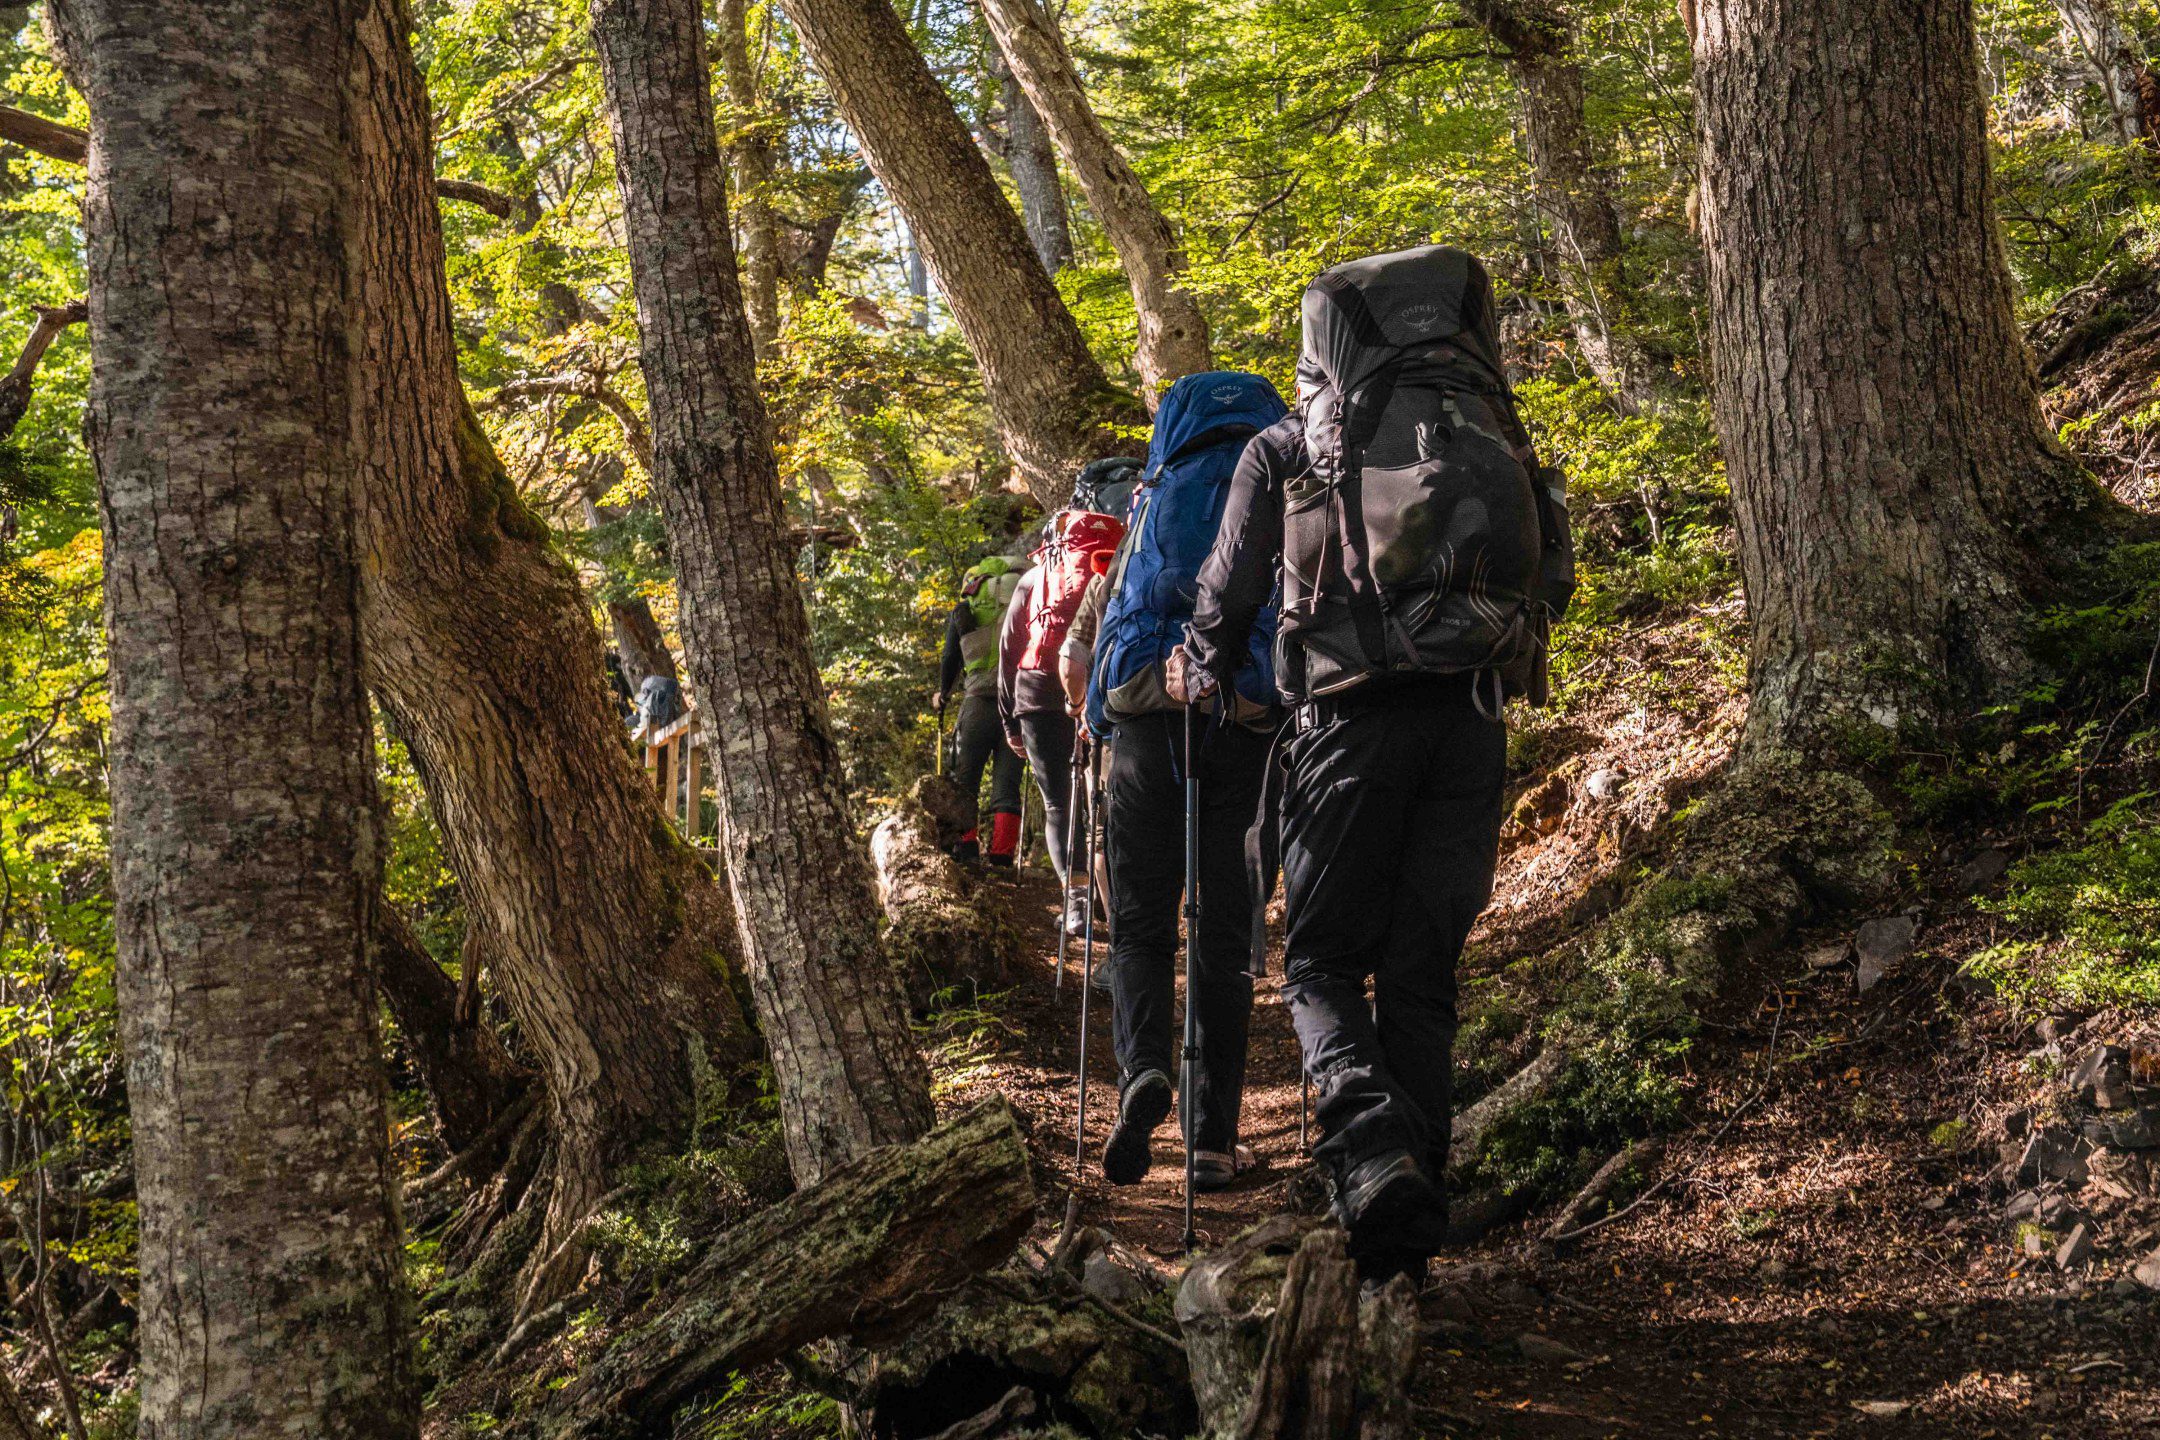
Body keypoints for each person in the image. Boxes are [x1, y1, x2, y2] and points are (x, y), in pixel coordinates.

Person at [1167, 245, 1572, 1285]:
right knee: (1423, 978)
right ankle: (1410, 1225)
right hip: (1472, 718)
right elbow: (1556, 578)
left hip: (1345, 723)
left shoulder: (1289, 448)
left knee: (1319, 963)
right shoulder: (1493, 426)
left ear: (1324, 342)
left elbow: (1227, 591)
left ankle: (1369, 1148)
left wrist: (1199, 674)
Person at [1086, 371, 1288, 1194]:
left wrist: (1104, 725)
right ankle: (1211, 1145)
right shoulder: (1282, 480)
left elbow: (1107, 626)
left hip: (1142, 721)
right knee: (1224, 936)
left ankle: (1141, 1070)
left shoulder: (1152, 498)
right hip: (1241, 722)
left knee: (1139, 929)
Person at [999, 504, 1126, 933]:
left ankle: (1076, 906)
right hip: (1101, 685)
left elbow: (1010, 651)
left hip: (1037, 691)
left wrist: (1010, 723)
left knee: (1058, 801)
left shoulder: (1034, 579)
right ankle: (1115, 902)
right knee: (1102, 799)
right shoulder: (1111, 566)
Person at [937, 555, 1027, 866]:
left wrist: (942, 694)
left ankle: (967, 849)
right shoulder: (1025, 601)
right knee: (1007, 784)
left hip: (977, 702)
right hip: (1016, 704)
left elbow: (951, 657)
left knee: (966, 779)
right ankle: (1002, 857)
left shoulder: (966, 609)